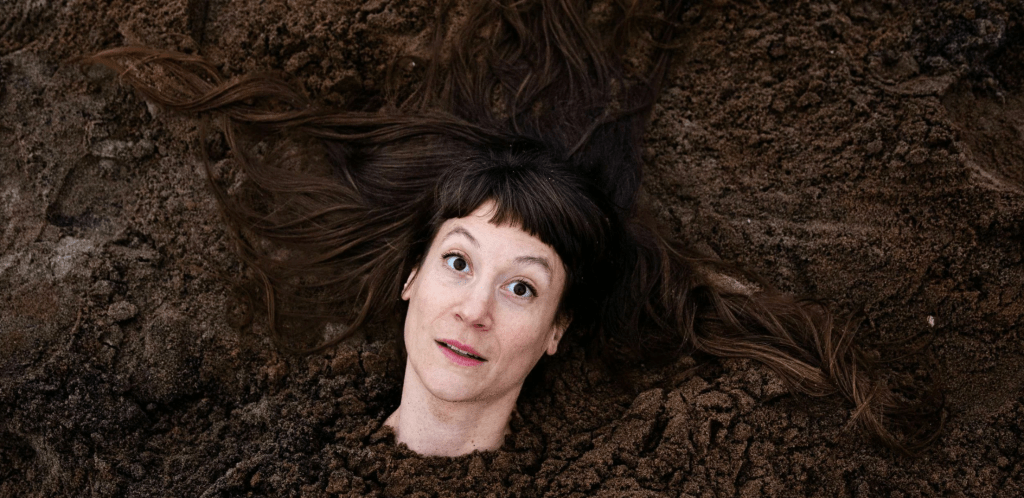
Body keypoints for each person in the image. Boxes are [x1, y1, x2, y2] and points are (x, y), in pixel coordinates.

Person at [86, 0, 937, 456]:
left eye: (522, 286)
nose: (474, 310)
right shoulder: (253, 458)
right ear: (412, 278)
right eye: (458, 263)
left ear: (558, 330)